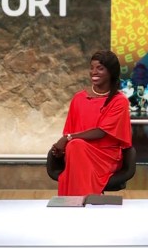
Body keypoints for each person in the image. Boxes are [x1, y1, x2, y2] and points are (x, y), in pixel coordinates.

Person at [50, 50, 132, 197]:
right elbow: (70, 130)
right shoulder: (78, 98)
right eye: (92, 67)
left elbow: (101, 132)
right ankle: (84, 202)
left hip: (105, 156)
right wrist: (62, 149)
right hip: (77, 151)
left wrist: (68, 139)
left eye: (100, 68)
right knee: (75, 147)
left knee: (76, 145)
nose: (94, 72)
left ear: (111, 72)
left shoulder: (119, 101)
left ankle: (76, 203)